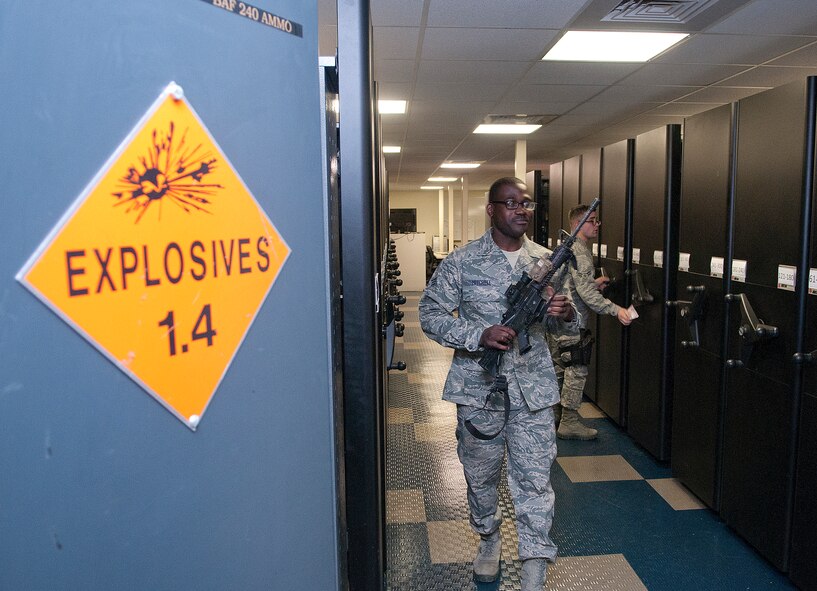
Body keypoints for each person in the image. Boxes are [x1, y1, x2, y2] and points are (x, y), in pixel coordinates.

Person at [419, 177, 579, 591]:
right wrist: (478, 335)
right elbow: (430, 315)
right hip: (478, 389)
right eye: (510, 203)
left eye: (526, 203)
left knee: (534, 482)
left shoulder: (549, 261)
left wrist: (562, 315)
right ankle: (488, 537)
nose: (520, 210)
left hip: (533, 391)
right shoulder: (463, 261)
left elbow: (568, 326)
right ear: (491, 210)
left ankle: (533, 569)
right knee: (480, 477)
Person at [550, 204, 632, 440]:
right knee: (576, 369)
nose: (598, 225)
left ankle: (556, 415)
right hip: (571, 321)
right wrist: (617, 310)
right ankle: (570, 423)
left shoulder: (567, 248)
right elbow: (588, 298)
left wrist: (593, 284)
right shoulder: (581, 252)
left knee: (560, 368)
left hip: (557, 320)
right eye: (593, 220)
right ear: (577, 224)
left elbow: (570, 284)